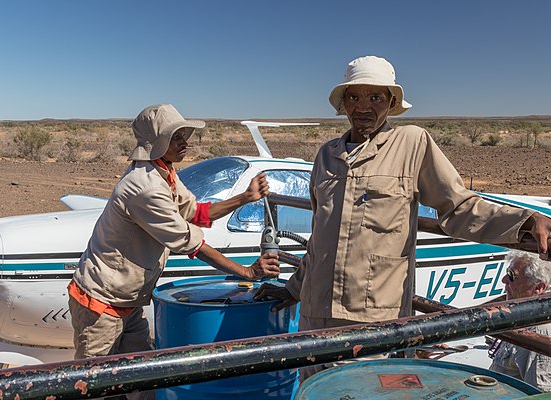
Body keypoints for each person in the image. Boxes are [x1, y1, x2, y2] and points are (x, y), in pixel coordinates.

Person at [255, 55, 551, 381]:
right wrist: (293, 288)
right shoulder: (327, 155)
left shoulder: (411, 143)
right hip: (313, 315)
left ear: (391, 102)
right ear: (343, 103)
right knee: (311, 388)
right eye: (354, 97)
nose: (363, 106)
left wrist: (525, 222)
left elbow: (458, 207)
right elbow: (320, 238)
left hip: (370, 320)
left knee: (357, 390)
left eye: (375, 97)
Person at [68, 104, 279, 368]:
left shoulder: (163, 170)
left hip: (127, 303)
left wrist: (245, 198)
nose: (184, 143)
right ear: (156, 143)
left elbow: (195, 212)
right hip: (101, 305)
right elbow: (192, 243)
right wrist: (246, 272)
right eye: (175, 137)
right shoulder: (144, 187)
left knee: (138, 376)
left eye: (184, 136)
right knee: (94, 381)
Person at [489, 250, 551, 392]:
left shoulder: (539, 330)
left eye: (511, 276)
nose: (504, 280)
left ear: (538, 288)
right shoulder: (524, 316)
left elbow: (538, 393)